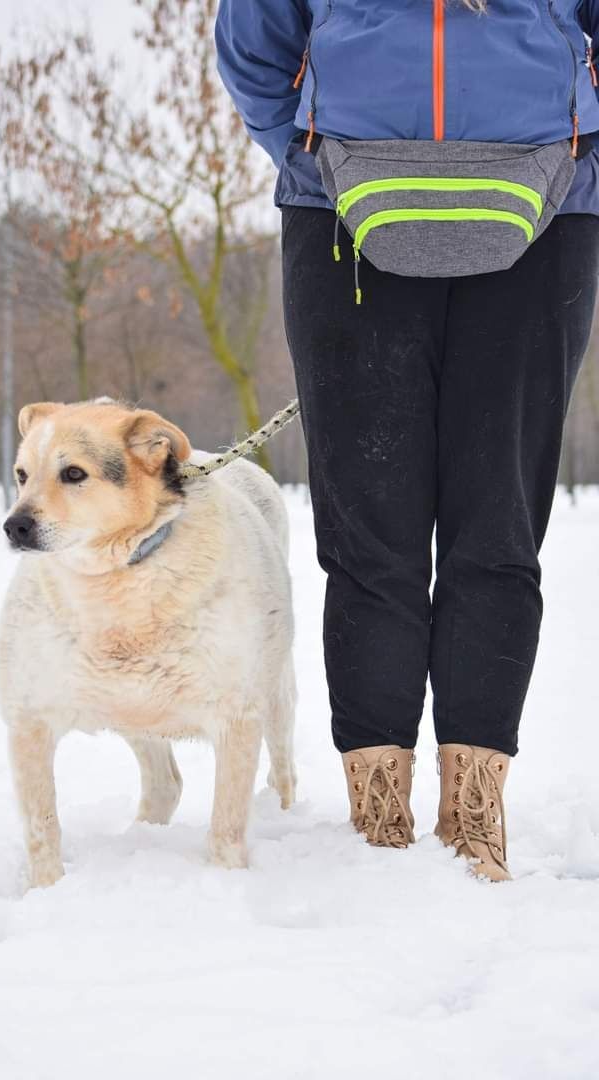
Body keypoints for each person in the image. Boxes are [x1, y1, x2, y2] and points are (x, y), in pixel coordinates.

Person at [215, 0, 599, 880]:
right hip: (343, 216)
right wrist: (311, 160)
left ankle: (473, 822)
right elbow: (255, 40)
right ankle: (380, 830)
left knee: (496, 529)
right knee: (368, 537)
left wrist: (583, 150)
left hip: (548, 212)